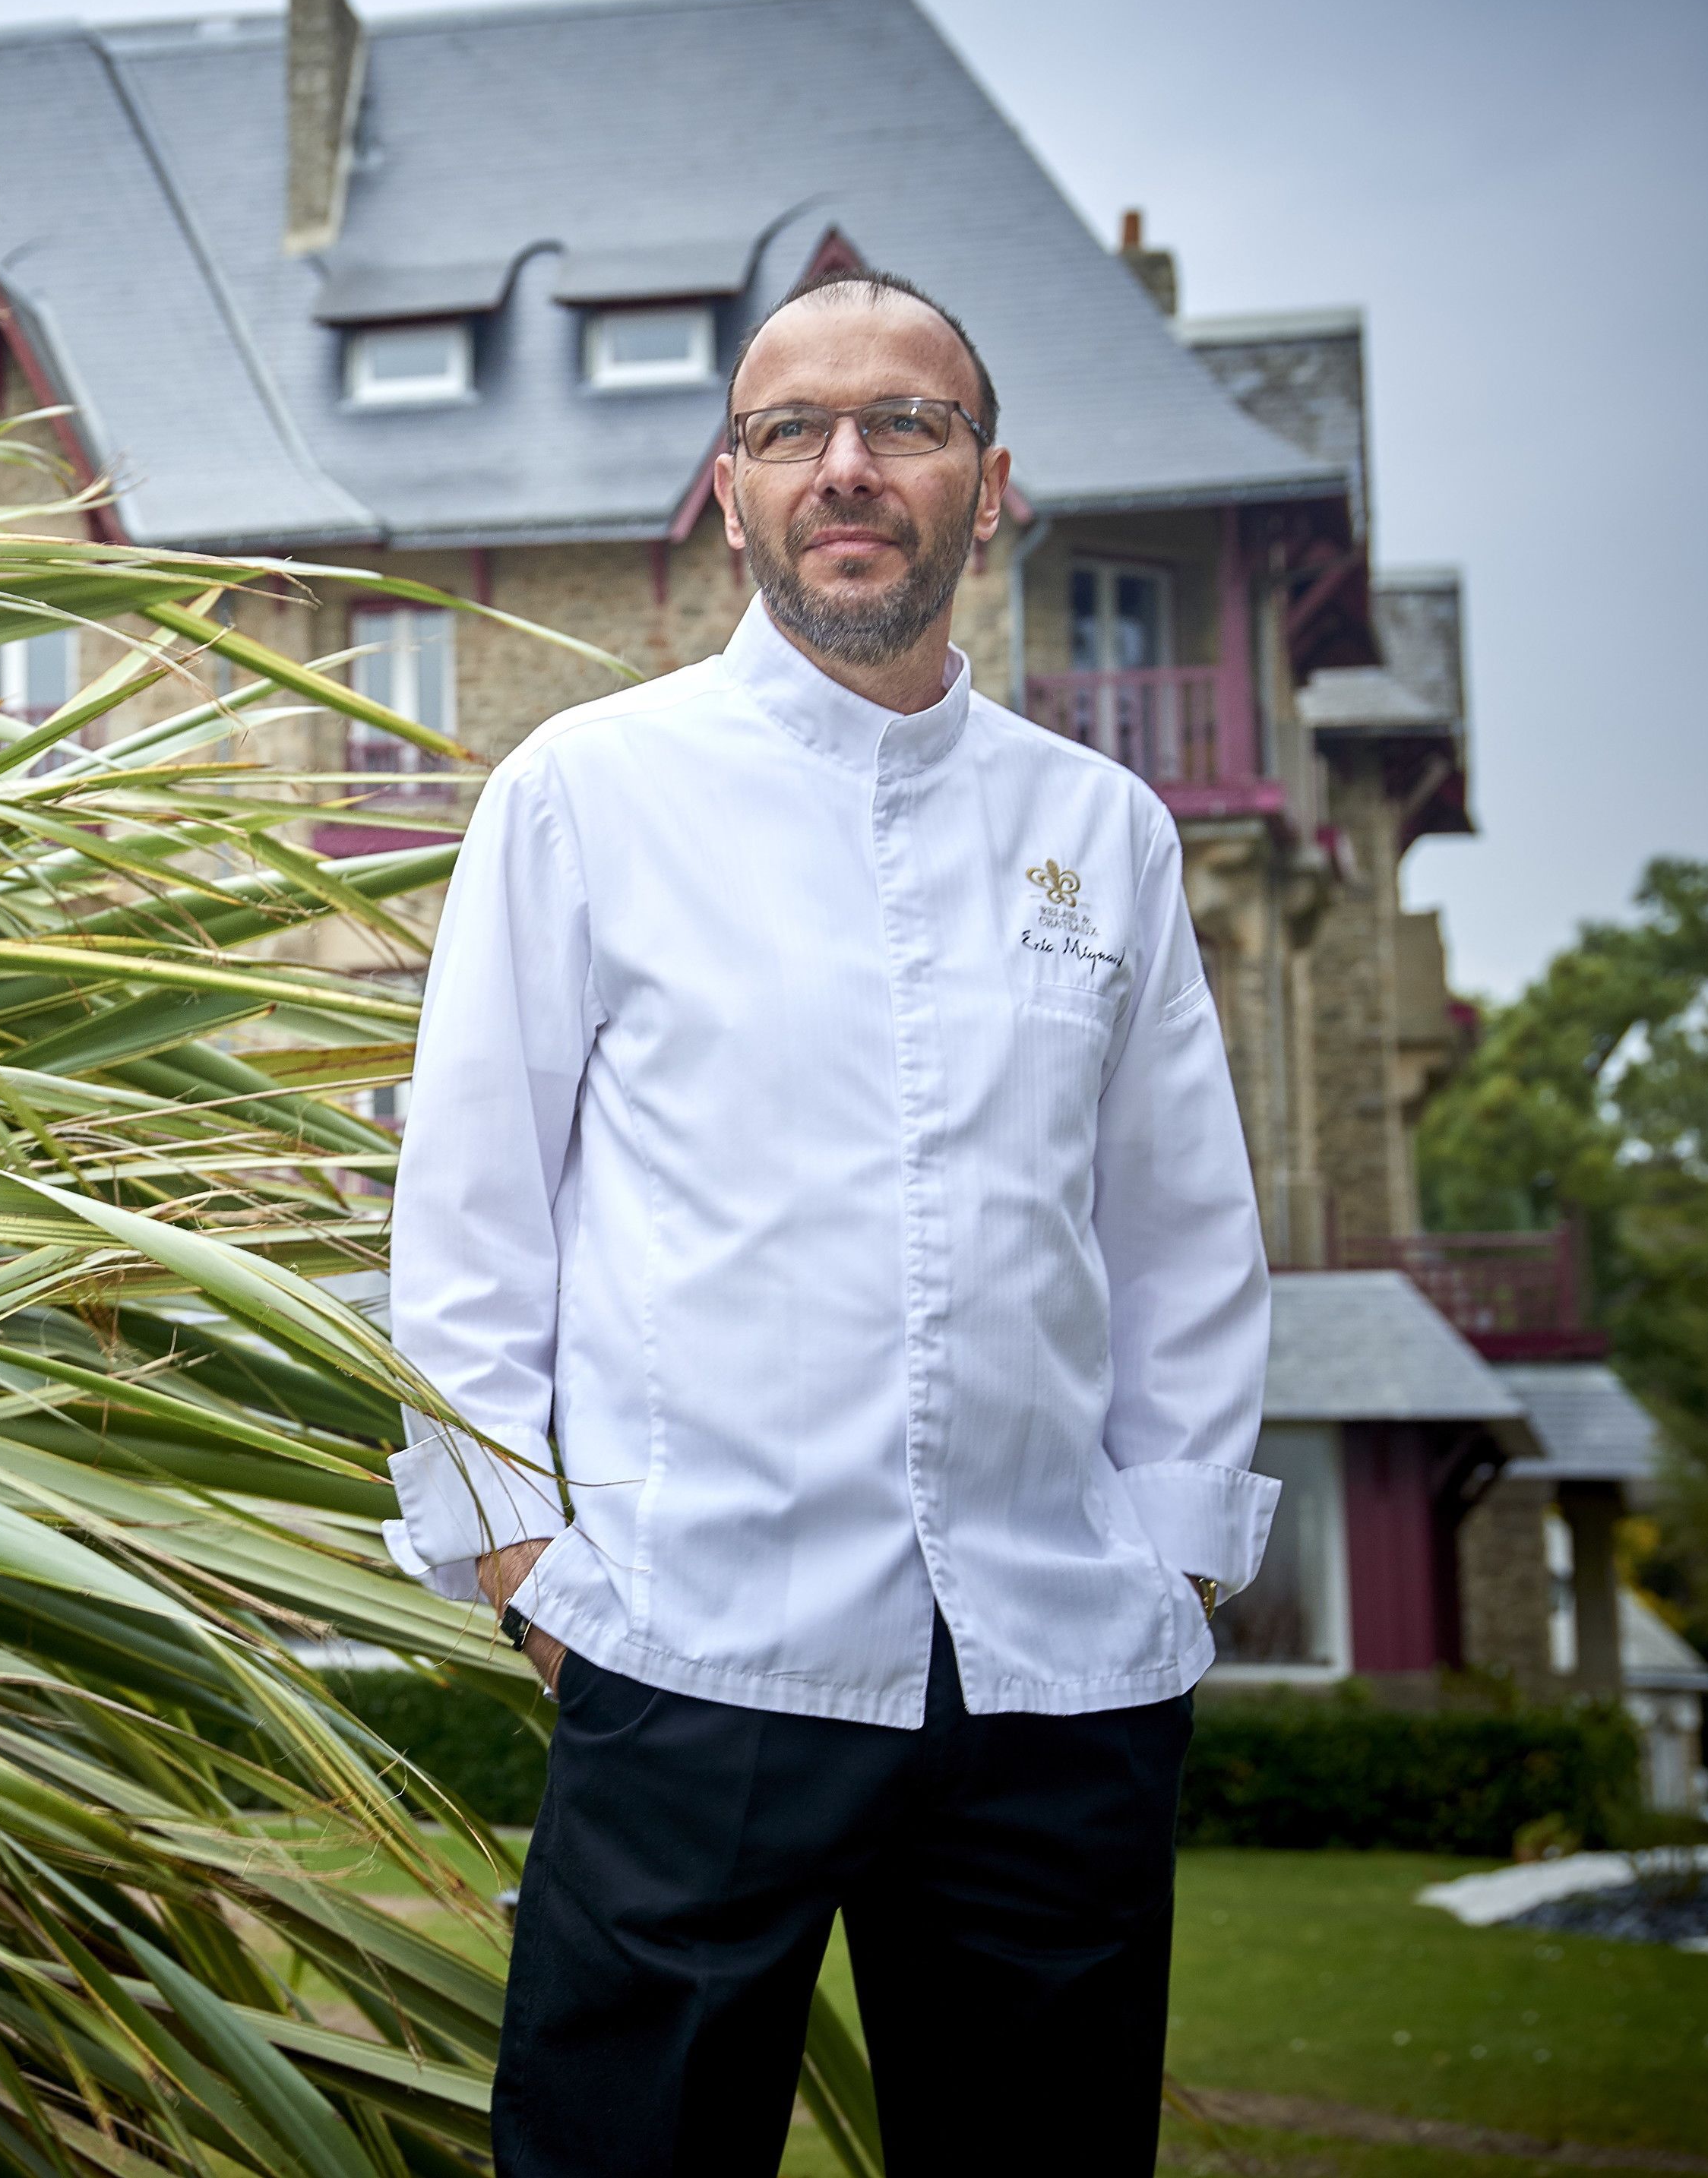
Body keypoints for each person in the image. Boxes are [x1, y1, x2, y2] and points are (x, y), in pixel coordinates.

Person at [381, 269, 1276, 2175]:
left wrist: (1171, 1567)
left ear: (992, 482)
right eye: (794, 429)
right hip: (693, 1645)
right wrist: (529, 1569)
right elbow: (469, 1221)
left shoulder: (1102, 827)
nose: (847, 466)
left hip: (1057, 1673)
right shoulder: (581, 794)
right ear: (730, 488)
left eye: (907, 424)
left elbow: (1184, 1227)